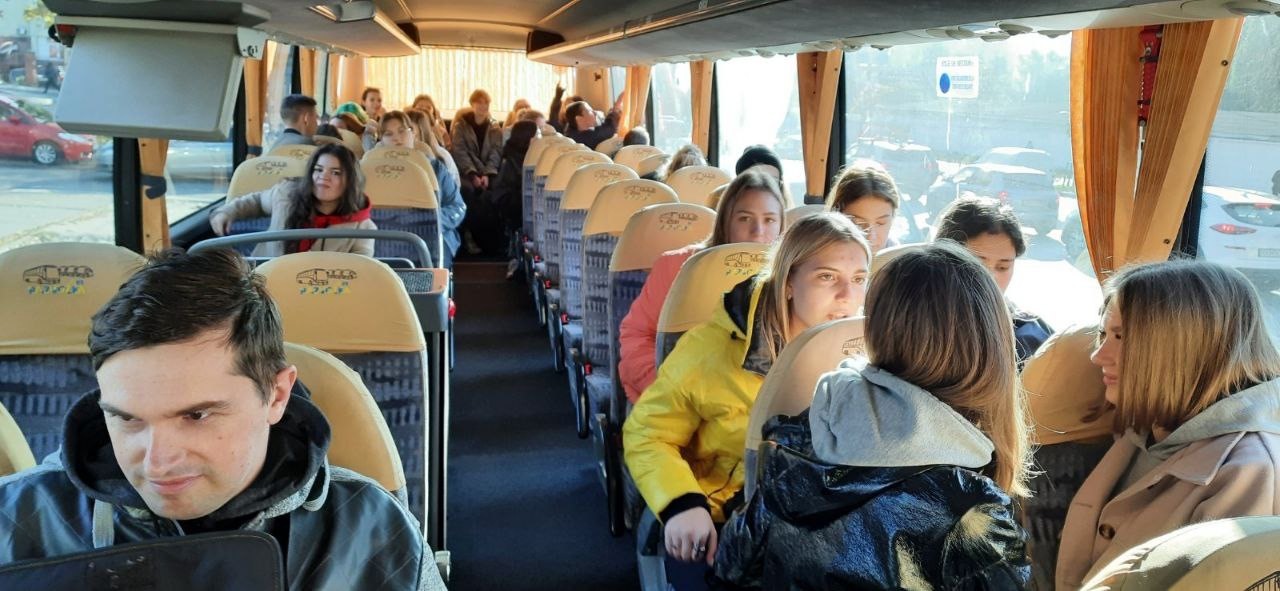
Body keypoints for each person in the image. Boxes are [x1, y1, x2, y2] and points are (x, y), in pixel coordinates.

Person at [0, 248, 446, 590]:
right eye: (127, 420)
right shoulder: (16, 521)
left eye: (197, 415)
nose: (156, 463)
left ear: (276, 395)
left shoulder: (371, 532)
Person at [712, 241, 1033, 590]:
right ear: (992, 350)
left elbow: (733, 566)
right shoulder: (973, 517)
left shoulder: (795, 441)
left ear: (876, 332)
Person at [624, 212, 871, 590]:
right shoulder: (711, 351)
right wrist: (683, 504)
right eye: (827, 277)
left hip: (814, 516)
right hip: (726, 510)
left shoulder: (866, 350)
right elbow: (647, 434)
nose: (847, 297)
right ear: (788, 283)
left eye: (859, 279)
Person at [1056, 260, 1280, 589]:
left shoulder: (1249, 472)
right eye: (1103, 334)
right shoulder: (1151, 426)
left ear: (1186, 348)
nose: (1098, 356)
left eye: (1121, 337)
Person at [618, 169, 785, 403]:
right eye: (745, 218)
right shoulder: (677, 267)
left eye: (769, 220)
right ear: (726, 222)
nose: (758, 232)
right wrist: (669, 391)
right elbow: (637, 337)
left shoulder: (791, 281)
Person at [934, 196, 1053, 366]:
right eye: (977, 265)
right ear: (942, 260)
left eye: (1003, 267)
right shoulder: (916, 322)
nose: (991, 277)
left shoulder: (1030, 335)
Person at [209, 143, 374, 257]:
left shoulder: (362, 228)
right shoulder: (286, 195)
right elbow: (257, 202)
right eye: (318, 170)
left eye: (335, 173)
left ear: (350, 181)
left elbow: (360, 271)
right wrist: (226, 212)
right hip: (263, 278)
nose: (323, 177)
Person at [378, 110, 467, 266]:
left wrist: (430, 221)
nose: (396, 138)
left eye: (402, 131)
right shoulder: (371, 172)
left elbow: (457, 206)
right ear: (381, 140)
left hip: (433, 235)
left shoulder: (435, 168)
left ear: (413, 134)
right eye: (388, 134)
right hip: (385, 238)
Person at [449, 89, 506, 256]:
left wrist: (487, 174)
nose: (483, 106)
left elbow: (496, 152)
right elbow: (460, 152)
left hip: (488, 172)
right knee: (468, 191)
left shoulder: (495, 127)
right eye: (479, 102)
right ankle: (469, 235)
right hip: (467, 172)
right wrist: (472, 174)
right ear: (472, 104)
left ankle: (493, 240)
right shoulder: (461, 126)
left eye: (486, 103)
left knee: (496, 191)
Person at [492, 120, 539, 278]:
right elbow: (502, 195)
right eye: (537, 134)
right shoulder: (511, 162)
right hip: (516, 207)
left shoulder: (540, 159)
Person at [826, 165, 900, 254]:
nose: (871, 238)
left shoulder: (899, 256)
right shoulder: (819, 256)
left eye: (881, 223)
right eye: (859, 224)